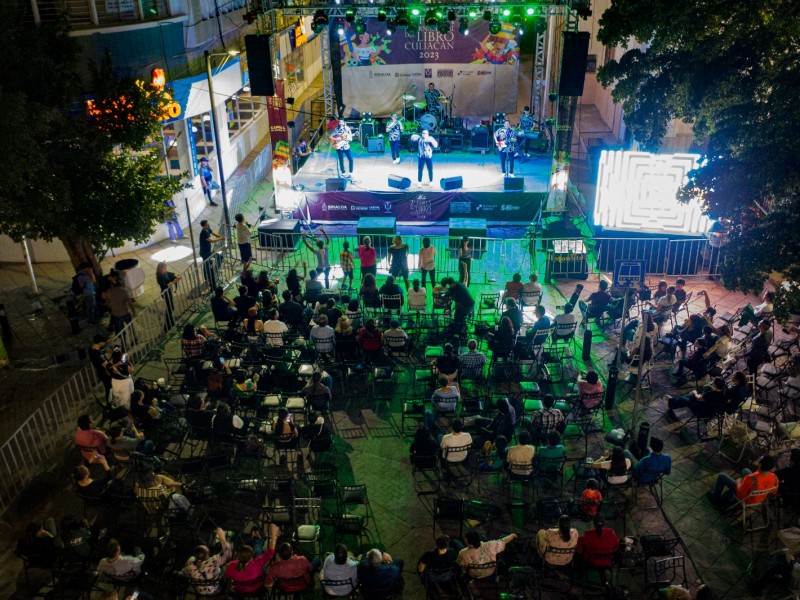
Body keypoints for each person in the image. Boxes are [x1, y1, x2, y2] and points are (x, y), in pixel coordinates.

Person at [224, 524, 281, 595]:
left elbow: (227, 575)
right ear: (251, 557)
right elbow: (270, 551)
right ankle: (257, 539)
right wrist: (274, 535)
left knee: (257, 553)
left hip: (240, 590)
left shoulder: (231, 565)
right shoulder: (257, 562)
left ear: (238, 556)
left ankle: (255, 539)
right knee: (257, 553)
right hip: (258, 588)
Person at [708, 454, 778, 509]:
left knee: (721, 476)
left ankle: (715, 499)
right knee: (745, 470)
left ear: (760, 464)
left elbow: (740, 492)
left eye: (759, 459)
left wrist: (738, 481)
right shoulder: (775, 477)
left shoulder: (751, 478)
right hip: (759, 499)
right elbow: (773, 492)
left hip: (746, 499)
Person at [182, 528, 232, 595]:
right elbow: (228, 554)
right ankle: (225, 592)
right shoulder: (214, 561)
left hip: (198, 590)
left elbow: (184, 573)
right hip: (214, 590)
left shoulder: (190, 562)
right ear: (207, 555)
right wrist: (222, 537)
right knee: (227, 567)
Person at [576, 515, 619, 583]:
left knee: (578, 556)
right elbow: (616, 547)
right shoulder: (611, 532)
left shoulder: (588, 533)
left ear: (593, 523)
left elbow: (579, 550)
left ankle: (580, 577)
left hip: (592, 561)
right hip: (607, 561)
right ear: (604, 523)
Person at [103, 273, 136, 337]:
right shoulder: (124, 291)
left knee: (121, 331)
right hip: (126, 312)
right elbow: (130, 303)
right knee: (131, 328)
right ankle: (134, 339)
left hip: (116, 314)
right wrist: (134, 312)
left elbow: (107, 303)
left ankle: (124, 344)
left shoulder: (108, 291)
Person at [198, 220, 224, 288]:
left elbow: (213, 233)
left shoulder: (208, 229)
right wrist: (221, 238)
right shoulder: (203, 233)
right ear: (203, 226)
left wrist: (219, 236)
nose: (208, 225)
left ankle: (212, 273)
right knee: (206, 264)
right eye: (207, 224)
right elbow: (212, 241)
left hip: (208, 251)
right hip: (204, 252)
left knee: (219, 257)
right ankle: (208, 277)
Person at [156, 261, 180, 330]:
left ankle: (170, 322)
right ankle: (168, 324)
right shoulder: (160, 276)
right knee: (170, 308)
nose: (166, 269)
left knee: (171, 307)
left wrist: (176, 276)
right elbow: (165, 285)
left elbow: (172, 274)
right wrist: (174, 281)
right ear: (161, 269)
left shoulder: (165, 273)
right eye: (164, 268)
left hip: (168, 292)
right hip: (165, 293)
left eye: (166, 268)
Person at [89, 334, 113, 403]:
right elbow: (106, 365)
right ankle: (109, 404)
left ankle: (110, 403)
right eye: (103, 342)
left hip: (100, 372)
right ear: (100, 342)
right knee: (109, 389)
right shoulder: (98, 354)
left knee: (109, 388)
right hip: (105, 373)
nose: (104, 344)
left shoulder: (91, 349)